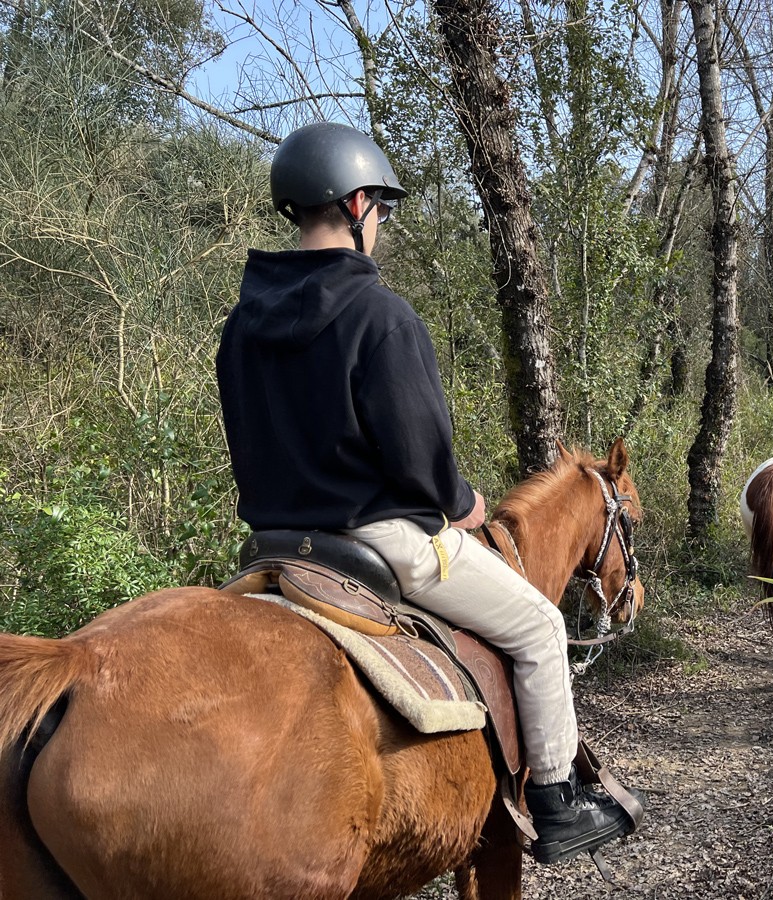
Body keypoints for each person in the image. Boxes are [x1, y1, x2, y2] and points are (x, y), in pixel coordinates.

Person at [215, 121, 641, 865]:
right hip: (380, 541)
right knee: (540, 626)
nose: (380, 222)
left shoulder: (242, 325)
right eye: (380, 206)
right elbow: (419, 459)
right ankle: (556, 802)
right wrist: (463, 499)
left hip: (272, 548)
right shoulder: (380, 315)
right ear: (355, 204)